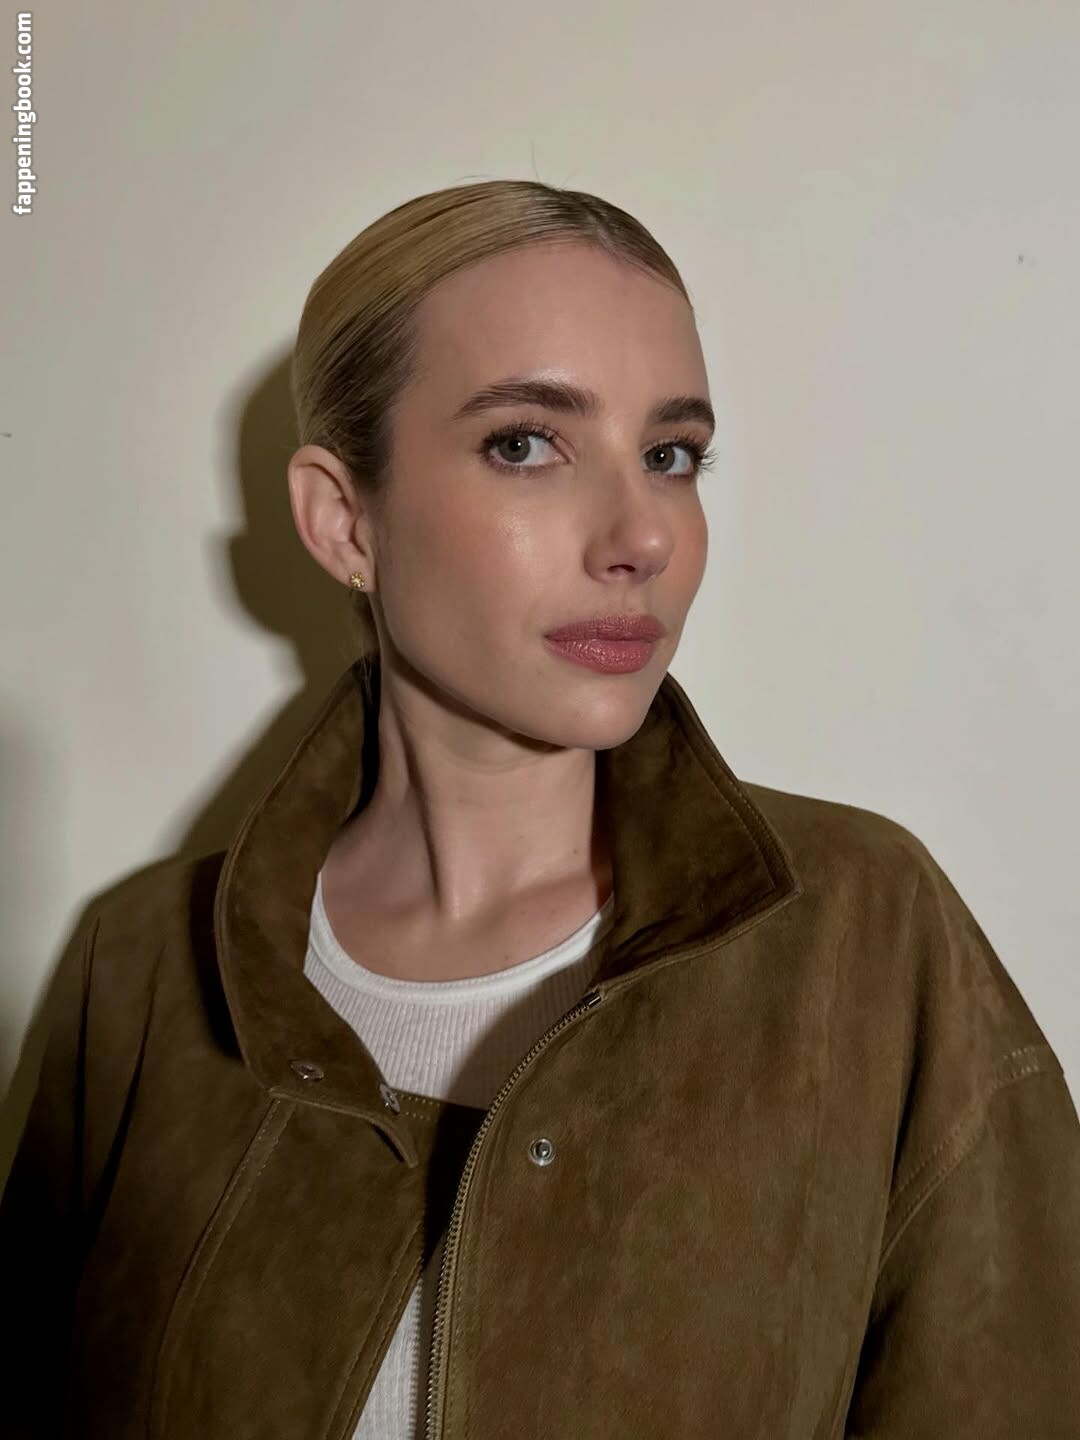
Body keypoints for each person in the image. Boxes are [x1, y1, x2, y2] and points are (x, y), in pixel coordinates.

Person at [2, 179, 1078, 1440]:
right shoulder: (140, 972)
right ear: (344, 520)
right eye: (527, 443)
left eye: (671, 456)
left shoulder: (866, 940)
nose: (642, 536)